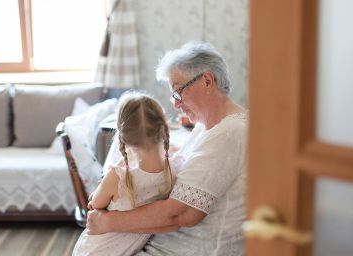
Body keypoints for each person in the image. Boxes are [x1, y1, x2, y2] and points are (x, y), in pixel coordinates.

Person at [86, 41, 248, 256]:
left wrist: (106, 222)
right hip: (165, 242)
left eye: (178, 92)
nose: (175, 104)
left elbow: (180, 214)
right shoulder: (206, 126)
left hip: (191, 249)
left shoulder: (230, 132)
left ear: (208, 81)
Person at [73, 92, 174, 256]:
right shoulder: (173, 170)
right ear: (165, 129)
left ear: (123, 137)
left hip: (94, 250)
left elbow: (94, 204)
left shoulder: (117, 177)